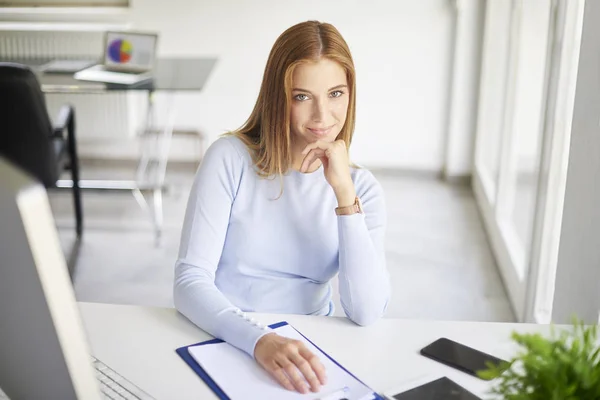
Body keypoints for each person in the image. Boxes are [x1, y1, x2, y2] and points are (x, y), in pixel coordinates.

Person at [173, 20, 390, 394]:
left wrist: (342, 194)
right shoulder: (230, 159)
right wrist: (259, 341)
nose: (323, 117)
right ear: (278, 97)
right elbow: (189, 281)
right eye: (302, 97)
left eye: (336, 93)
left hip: (309, 349)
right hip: (227, 335)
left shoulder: (362, 189)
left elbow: (366, 311)